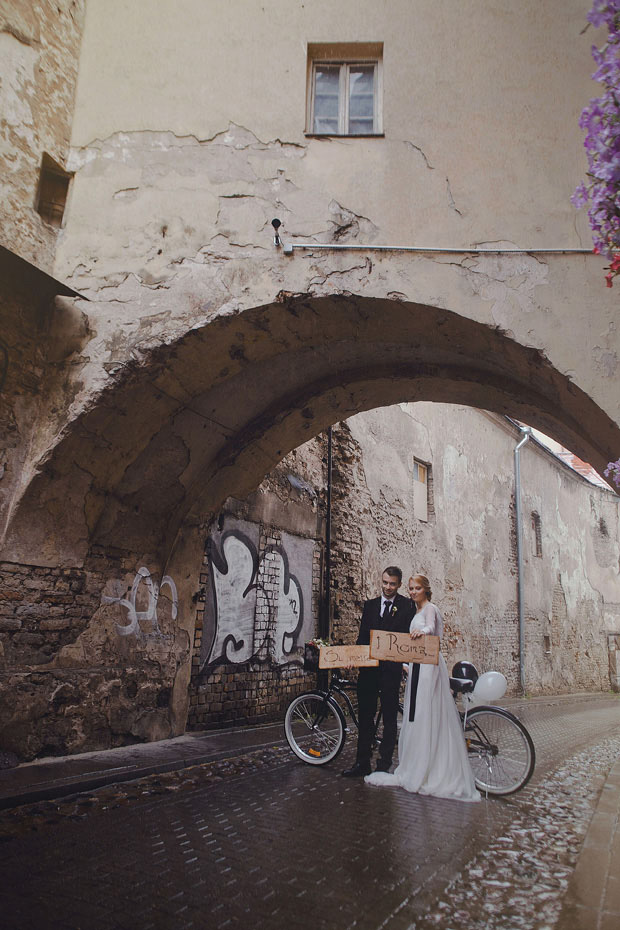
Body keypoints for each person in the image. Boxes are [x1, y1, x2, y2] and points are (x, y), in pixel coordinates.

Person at [365, 574, 480, 802]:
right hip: (418, 667)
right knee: (415, 715)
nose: (413, 592)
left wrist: (422, 632)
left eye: (417, 588)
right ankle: (418, 764)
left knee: (427, 713)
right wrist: (407, 665)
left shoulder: (430, 609)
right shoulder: (415, 611)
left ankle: (430, 769)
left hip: (429, 668)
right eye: (410, 588)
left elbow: (431, 628)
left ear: (426, 589)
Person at [342, 566, 415, 777]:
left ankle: (384, 765)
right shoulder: (370, 606)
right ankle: (362, 763)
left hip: (391, 671)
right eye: (384, 582)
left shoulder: (407, 606)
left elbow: (407, 641)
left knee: (390, 718)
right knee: (365, 717)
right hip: (369, 671)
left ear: (399, 585)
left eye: (392, 584)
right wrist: (353, 658)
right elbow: (362, 638)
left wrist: (403, 663)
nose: (387, 587)